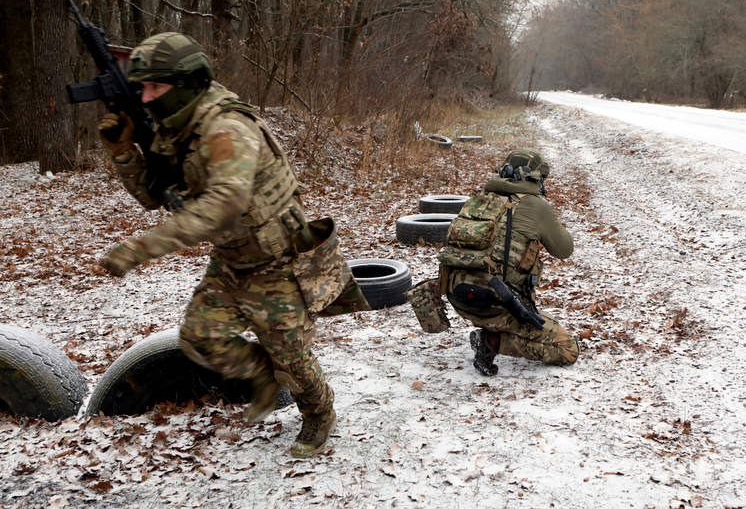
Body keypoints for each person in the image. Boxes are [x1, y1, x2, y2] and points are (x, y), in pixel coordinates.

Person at [97, 32, 368, 458]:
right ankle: (262, 375)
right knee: (199, 337)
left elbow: (224, 204)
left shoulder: (227, 129)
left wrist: (141, 249)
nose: (145, 98)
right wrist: (125, 153)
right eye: (141, 88)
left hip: (279, 262)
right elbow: (154, 196)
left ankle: (319, 413)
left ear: (185, 85)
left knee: (293, 360)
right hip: (232, 258)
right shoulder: (175, 129)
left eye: (155, 87)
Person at [407, 150, 578, 375]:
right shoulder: (537, 206)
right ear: (536, 178)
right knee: (568, 349)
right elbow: (564, 250)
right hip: (498, 306)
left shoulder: (479, 201)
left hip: (460, 299)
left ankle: (493, 331)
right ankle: (493, 340)